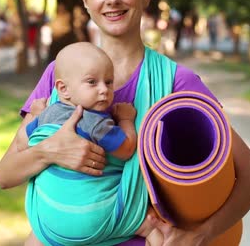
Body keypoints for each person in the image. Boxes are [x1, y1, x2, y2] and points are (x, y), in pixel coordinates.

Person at [0, 0, 250, 246]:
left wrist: (199, 235)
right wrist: (48, 152)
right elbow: (6, 175)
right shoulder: (61, 72)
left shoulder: (176, 82)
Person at [22, 42, 162, 245]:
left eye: (109, 82)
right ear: (63, 88)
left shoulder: (48, 114)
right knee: (154, 224)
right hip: (90, 221)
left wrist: (35, 114)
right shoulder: (94, 122)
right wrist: (126, 120)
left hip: (50, 224)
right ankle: (150, 231)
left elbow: (25, 140)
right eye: (92, 82)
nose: (104, 90)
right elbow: (127, 149)